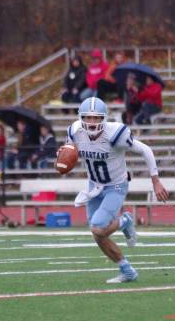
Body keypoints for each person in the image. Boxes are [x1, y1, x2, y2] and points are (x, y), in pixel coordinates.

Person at [63, 97, 168, 283]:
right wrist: (62, 156)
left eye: (96, 118)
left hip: (116, 186)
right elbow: (68, 150)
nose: (92, 122)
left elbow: (145, 150)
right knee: (97, 234)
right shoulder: (75, 131)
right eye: (88, 117)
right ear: (81, 117)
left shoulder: (115, 134)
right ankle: (127, 271)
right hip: (94, 185)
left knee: (98, 227)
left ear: (104, 119)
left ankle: (125, 221)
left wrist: (156, 181)